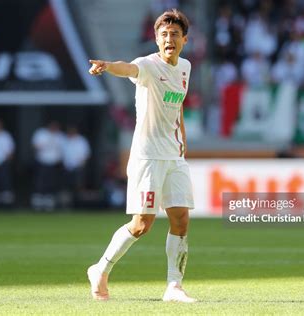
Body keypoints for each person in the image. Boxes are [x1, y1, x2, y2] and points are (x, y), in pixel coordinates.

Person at [87, 9, 196, 303]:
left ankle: (174, 286)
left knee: (181, 219)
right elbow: (128, 69)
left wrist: (182, 138)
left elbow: (177, 106)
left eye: (174, 34)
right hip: (147, 156)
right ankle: (100, 269)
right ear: (156, 39)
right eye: (163, 35)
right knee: (142, 224)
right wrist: (108, 66)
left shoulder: (185, 67)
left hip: (174, 155)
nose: (169, 39)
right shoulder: (147, 65)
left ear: (184, 39)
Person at [31, 121, 64, 211]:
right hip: (42, 162)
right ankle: (38, 202)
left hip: (54, 164)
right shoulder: (41, 133)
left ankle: (49, 203)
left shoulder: (60, 136)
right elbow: (35, 146)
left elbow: (62, 150)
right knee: (40, 183)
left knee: (51, 183)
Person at [61, 125, 90, 206]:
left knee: (79, 186)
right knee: (66, 187)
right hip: (67, 168)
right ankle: (67, 205)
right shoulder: (65, 141)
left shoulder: (81, 141)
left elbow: (86, 154)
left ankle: (79, 204)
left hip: (78, 167)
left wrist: (81, 165)